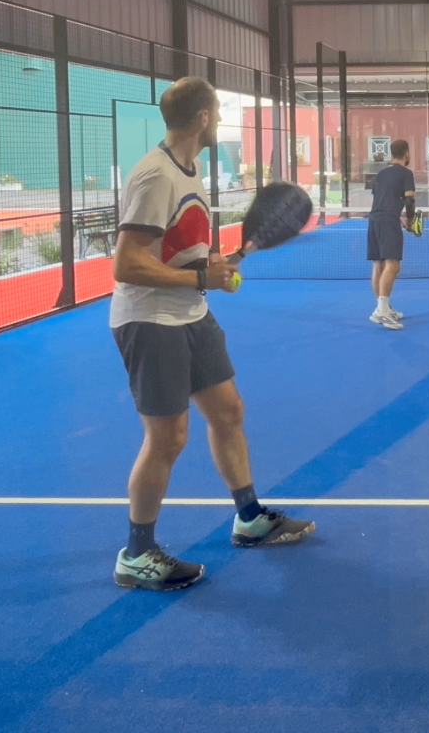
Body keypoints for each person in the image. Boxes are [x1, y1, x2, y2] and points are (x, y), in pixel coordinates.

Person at [110, 76, 313, 592]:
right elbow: (128, 265)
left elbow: (174, 250)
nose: (220, 118)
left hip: (189, 313)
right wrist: (202, 278)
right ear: (202, 116)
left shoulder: (190, 170)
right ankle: (136, 554)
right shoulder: (156, 176)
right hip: (150, 321)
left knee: (228, 411)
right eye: (217, 110)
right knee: (168, 438)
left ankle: (248, 519)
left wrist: (211, 267)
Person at [367, 139, 416, 330]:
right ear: (407, 154)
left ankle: (384, 308)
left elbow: (382, 198)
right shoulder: (406, 173)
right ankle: (381, 312)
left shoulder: (381, 174)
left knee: (378, 264)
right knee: (393, 265)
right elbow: (410, 201)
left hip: (374, 219)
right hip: (388, 221)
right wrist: (410, 222)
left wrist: (396, 217)